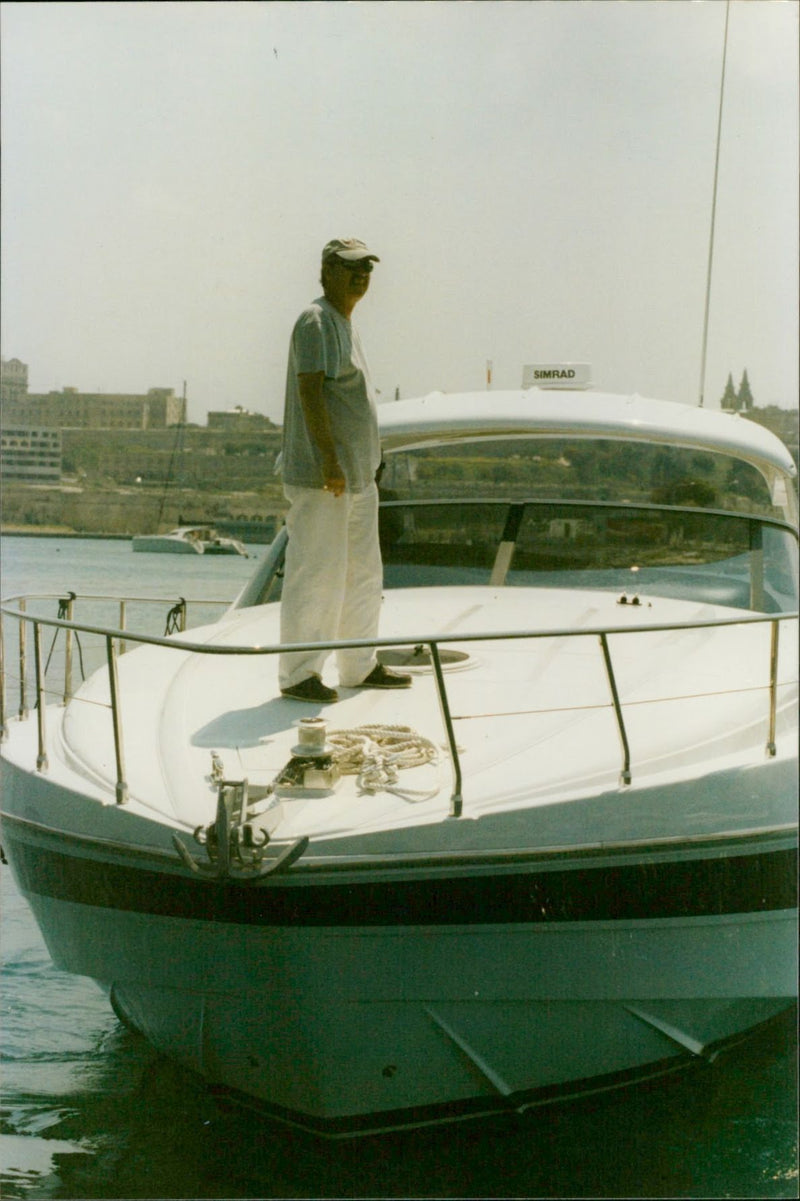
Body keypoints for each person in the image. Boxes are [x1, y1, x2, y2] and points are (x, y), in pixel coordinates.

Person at [278, 237, 411, 703]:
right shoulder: (315, 321)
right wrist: (329, 460)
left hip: (355, 478)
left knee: (362, 575)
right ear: (327, 270)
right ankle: (298, 673)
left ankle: (358, 664)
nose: (361, 276)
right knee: (317, 572)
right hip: (325, 478)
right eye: (351, 267)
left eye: (366, 269)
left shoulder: (344, 323)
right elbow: (310, 392)